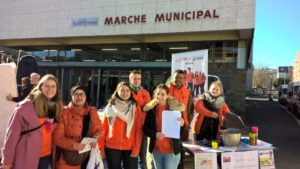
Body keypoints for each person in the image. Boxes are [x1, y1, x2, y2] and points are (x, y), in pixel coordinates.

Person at [1, 74, 63, 169]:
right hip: (26, 155)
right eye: (46, 85)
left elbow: (47, 130)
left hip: (45, 156)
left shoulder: (54, 106)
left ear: (57, 89)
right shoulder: (25, 107)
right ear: (40, 87)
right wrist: (7, 161)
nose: (50, 89)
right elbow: (11, 137)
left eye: (53, 86)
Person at [54, 85, 102, 169]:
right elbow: (57, 137)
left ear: (86, 96)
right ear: (72, 96)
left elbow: (99, 130)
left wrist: (95, 138)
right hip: (66, 156)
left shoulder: (92, 112)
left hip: (86, 155)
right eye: (76, 94)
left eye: (82, 94)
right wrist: (73, 145)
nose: (79, 97)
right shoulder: (64, 112)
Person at [99, 81, 143, 169]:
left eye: (127, 90)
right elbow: (103, 129)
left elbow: (138, 130)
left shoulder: (135, 108)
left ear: (131, 92)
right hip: (112, 146)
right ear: (117, 92)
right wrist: (101, 148)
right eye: (122, 90)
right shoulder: (110, 107)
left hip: (130, 147)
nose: (125, 93)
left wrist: (136, 148)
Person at [143, 84, 185, 169]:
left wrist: (182, 124)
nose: (160, 96)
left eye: (163, 94)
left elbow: (182, 130)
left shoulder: (175, 109)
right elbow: (145, 129)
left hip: (171, 151)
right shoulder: (151, 109)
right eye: (158, 94)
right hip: (156, 150)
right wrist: (155, 134)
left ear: (168, 95)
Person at [129, 70, 151, 169]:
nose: (137, 81)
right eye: (134, 79)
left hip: (142, 128)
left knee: (142, 155)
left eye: (139, 79)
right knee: (128, 155)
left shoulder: (145, 93)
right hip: (129, 128)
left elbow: (149, 109)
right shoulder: (126, 91)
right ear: (130, 80)